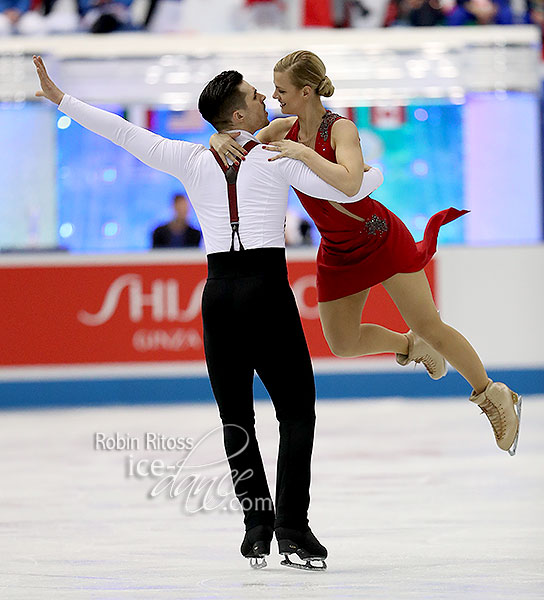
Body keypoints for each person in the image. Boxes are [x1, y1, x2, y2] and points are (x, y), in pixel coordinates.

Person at [33, 55, 384, 570]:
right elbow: (350, 187)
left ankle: (256, 527)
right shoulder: (280, 159)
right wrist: (373, 170)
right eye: (255, 96)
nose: (265, 98)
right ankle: (292, 527)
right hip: (267, 292)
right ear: (238, 116)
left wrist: (62, 99)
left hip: (219, 297)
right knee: (297, 413)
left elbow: (126, 135)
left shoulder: (191, 159)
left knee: (235, 417)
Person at [210, 49, 522, 457]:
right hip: (337, 249)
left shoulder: (341, 130)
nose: (274, 97)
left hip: (377, 236)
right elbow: (237, 141)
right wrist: (218, 136)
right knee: (341, 341)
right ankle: (410, 347)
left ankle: (491, 394)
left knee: (429, 323)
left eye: (281, 90)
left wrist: (304, 154)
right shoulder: (280, 128)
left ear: (306, 91)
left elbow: (351, 181)